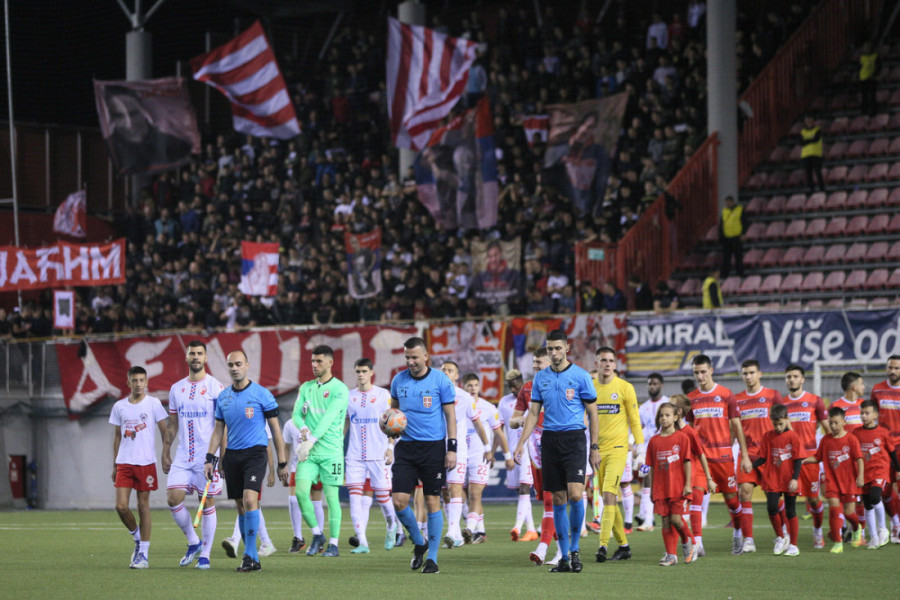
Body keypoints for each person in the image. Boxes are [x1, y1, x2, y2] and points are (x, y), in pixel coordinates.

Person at [513, 330, 600, 573]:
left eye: (557, 348)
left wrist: (594, 447)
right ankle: (563, 556)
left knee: (575, 494)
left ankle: (574, 550)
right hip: (550, 440)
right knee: (558, 499)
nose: (553, 353)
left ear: (567, 348)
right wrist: (521, 443)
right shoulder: (541, 378)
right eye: (550, 349)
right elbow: (532, 413)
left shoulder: (581, 376)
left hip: (574, 439)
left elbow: (593, 413)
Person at [204, 350, 288, 572]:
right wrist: (210, 458)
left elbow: (275, 430)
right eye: (230, 365)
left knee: (251, 501)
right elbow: (218, 430)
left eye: (238, 364)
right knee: (241, 506)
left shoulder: (262, 394)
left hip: (255, 453)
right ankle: (251, 558)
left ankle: (250, 555)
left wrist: (281, 462)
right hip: (232, 455)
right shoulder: (223, 397)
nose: (234, 368)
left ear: (247, 365)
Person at [388, 337, 457, 574]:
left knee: (431, 501)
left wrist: (452, 448)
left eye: (415, 357)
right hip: (406, 448)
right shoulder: (398, 380)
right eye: (407, 357)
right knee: (398, 500)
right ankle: (420, 542)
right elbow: (393, 413)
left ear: (425, 356)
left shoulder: (440, 380)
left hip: (433, 449)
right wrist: (389, 435)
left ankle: (433, 559)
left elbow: (450, 416)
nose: (410, 361)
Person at [161, 341, 226, 570]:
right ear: (186, 358)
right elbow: (173, 423)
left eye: (199, 353)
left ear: (206, 358)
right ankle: (194, 541)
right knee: (172, 498)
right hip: (182, 456)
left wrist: (222, 457)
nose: (196, 357)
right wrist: (165, 450)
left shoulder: (216, 388)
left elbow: (222, 425)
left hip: (207, 457)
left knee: (206, 501)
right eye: (192, 353)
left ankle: (206, 555)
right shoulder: (176, 388)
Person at [687, 354, 752, 555]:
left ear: (711, 370)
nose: (700, 376)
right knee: (696, 497)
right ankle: (698, 543)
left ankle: (738, 534)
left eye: (703, 372)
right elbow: (689, 429)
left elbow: (736, 425)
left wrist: (745, 455)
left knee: (732, 501)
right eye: (696, 372)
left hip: (723, 457)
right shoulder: (692, 398)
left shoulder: (726, 395)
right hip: (701, 458)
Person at [292, 345, 350, 558]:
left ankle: (334, 544)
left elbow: (329, 418)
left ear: (330, 363)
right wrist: (303, 428)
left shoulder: (340, 389)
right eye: (312, 361)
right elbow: (297, 414)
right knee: (300, 493)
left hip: (331, 452)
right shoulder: (306, 387)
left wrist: (311, 440)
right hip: (310, 452)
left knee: (332, 498)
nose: (314, 365)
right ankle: (317, 534)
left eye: (319, 361)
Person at [110, 365, 168, 569]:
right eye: (134, 380)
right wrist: (115, 464)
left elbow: (165, 430)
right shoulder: (119, 406)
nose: (138, 384)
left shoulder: (153, 404)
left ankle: (143, 553)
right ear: (128, 382)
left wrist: (165, 453)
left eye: (142, 380)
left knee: (143, 506)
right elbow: (118, 436)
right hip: (124, 462)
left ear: (146, 382)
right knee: (121, 506)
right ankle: (136, 536)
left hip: (146, 462)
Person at [510, 347, 562, 566]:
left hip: (559, 447)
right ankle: (562, 551)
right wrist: (524, 423)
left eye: (539, 362)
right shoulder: (528, 388)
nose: (535, 366)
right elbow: (513, 419)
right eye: (534, 362)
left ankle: (543, 548)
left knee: (553, 499)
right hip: (536, 453)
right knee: (549, 501)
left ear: (550, 362)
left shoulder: (561, 383)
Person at [592, 346, 643, 562]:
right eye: (603, 360)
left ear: (615, 364)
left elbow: (635, 420)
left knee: (609, 493)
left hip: (619, 450)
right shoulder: (590, 387)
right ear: (597, 363)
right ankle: (624, 546)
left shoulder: (625, 388)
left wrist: (640, 449)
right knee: (607, 497)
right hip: (596, 452)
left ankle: (602, 545)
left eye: (611, 360)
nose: (607, 364)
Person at [345, 358, 398, 554]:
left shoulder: (383, 395)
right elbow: (345, 424)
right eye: (358, 371)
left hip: (378, 453)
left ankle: (392, 526)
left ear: (371, 372)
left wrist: (390, 447)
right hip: (355, 455)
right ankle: (363, 543)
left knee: (384, 498)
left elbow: (393, 423)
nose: (360, 374)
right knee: (355, 499)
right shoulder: (348, 397)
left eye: (364, 371)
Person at [733, 359, 783, 554]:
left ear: (759, 374)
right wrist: (741, 454)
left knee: (775, 498)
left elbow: (783, 423)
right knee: (744, 492)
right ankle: (748, 540)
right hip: (748, 455)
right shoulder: (737, 400)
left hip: (770, 455)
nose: (748, 376)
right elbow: (735, 430)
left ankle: (782, 534)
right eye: (745, 373)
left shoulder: (772, 395)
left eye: (752, 372)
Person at [802, 406, 864, 554]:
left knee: (849, 514)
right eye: (831, 423)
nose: (833, 426)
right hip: (832, 482)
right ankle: (838, 542)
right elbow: (817, 457)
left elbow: (859, 459)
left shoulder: (851, 439)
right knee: (834, 511)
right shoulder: (826, 440)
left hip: (849, 482)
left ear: (844, 421)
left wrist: (860, 476)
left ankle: (857, 527)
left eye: (836, 423)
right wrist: (802, 461)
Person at [439, 361, 488, 549]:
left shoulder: (464, 397)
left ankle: (452, 532)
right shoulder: (433, 394)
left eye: (450, 370)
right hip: (436, 450)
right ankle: (457, 533)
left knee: (455, 489)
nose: (445, 372)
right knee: (444, 492)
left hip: (457, 451)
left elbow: (477, 424)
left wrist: (487, 446)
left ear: (456, 376)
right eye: (443, 370)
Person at [464, 372, 514, 543]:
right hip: (463, 455)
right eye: (469, 385)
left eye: (475, 385)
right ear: (464, 387)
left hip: (480, 456)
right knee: (464, 495)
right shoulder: (459, 405)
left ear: (479, 387)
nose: (472, 389)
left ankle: (469, 529)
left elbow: (498, 433)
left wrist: (506, 456)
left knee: (474, 494)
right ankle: (481, 531)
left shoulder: (488, 408)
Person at [782, 364, 828, 548]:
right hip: (789, 461)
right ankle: (787, 536)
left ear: (802, 379)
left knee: (814, 499)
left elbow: (827, 431)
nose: (792, 380)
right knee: (788, 499)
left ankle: (818, 530)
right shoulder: (782, 404)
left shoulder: (815, 401)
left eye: (795, 376)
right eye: (788, 377)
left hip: (809, 459)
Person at [101, 85, 194, 175]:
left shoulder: (176, 145)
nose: (129, 123)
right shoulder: (108, 150)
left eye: (134, 113)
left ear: (144, 111)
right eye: (119, 116)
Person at [646, 403, 694, 566]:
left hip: (677, 486)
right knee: (665, 520)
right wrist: (652, 489)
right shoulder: (654, 441)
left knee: (676, 519)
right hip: (661, 487)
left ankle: (688, 541)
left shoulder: (682, 438)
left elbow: (688, 462)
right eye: (661, 415)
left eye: (667, 415)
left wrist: (688, 484)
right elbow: (651, 467)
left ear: (675, 417)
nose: (664, 418)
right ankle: (671, 556)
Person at [752, 403, 803, 556]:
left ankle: (793, 545)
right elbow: (762, 458)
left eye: (781, 424)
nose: (779, 427)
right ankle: (780, 537)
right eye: (775, 424)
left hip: (788, 479)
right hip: (773, 478)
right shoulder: (768, 436)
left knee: (790, 512)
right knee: (772, 507)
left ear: (787, 419)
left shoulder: (793, 437)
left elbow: (798, 459)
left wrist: (795, 479)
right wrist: (751, 465)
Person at [670, 395, 716, 559]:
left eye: (671, 405)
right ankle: (687, 544)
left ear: (679, 411)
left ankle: (697, 543)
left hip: (696, 473)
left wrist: (709, 479)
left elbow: (701, 455)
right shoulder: (669, 431)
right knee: (678, 512)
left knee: (695, 506)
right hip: (681, 476)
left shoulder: (690, 432)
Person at [852, 400, 899, 548]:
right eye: (862, 413)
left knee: (874, 497)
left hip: (880, 471)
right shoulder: (856, 433)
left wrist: (898, 469)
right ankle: (873, 537)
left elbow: (892, 453)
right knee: (867, 505)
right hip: (864, 473)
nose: (863, 416)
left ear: (875, 415)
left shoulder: (883, 432)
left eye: (867, 413)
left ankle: (883, 529)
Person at [498, 369, 538, 542]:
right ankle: (531, 529)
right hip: (514, 451)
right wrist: (504, 453)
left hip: (530, 450)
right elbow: (499, 428)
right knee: (520, 491)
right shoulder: (504, 402)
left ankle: (517, 526)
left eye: (516, 386)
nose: (513, 390)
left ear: (521, 383)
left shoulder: (534, 398)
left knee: (524, 487)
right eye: (510, 387)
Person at [869, 354, 900, 542]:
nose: (893, 371)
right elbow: (873, 415)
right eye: (890, 367)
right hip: (883, 447)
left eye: (897, 368)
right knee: (886, 490)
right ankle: (895, 523)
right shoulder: (877, 390)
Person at [637, 373, 668, 531]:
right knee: (646, 479)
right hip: (648, 451)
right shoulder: (643, 408)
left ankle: (682, 514)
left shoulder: (668, 404)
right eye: (650, 384)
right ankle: (647, 519)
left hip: (667, 450)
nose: (652, 387)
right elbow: (638, 429)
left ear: (661, 385)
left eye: (655, 384)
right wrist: (638, 449)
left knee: (669, 483)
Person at [281, 417, 306, 553]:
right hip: (297, 467)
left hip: (316, 465)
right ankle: (298, 537)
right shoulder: (290, 424)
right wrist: (283, 467)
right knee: (293, 499)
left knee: (316, 500)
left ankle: (318, 537)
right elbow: (286, 446)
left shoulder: (318, 419)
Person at [719, 195, 745, 279]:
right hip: (727, 238)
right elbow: (721, 224)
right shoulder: (724, 211)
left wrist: (743, 233)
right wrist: (721, 236)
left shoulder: (740, 210)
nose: (728, 203)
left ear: (733, 202)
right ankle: (725, 274)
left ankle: (740, 273)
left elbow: (744, 222)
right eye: (727, 202)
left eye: (729, 202)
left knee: (738, 256)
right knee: (726, 257)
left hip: (736, 237)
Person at [800, 115, 825, 194]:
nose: (809, 123)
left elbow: (816, 139)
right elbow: (801, 142)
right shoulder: (802, 131)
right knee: (808, 173)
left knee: (818, 172)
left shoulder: (817, 130)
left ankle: (822, 188)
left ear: (813, 122)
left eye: (810, 121)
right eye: (807, 121)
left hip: (816, 154)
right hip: (806, 155)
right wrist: (810, 139)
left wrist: (807, 140)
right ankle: (812, 189)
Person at [859, 41, 880, 117]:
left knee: (872, 95)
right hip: (863, 78)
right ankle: (864, 111)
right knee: (864, 95)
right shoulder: (862, 57)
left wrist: (875, 74)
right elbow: (859, 67)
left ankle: (873, 111)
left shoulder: (875, 56)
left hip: (872, 78)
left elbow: (878, 67)